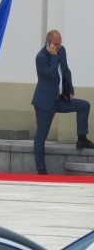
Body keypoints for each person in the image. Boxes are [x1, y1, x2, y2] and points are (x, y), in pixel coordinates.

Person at [32, 30, 94, 174]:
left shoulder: (62, 50)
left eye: (60, 43)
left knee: (84, 105)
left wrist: (69, 90)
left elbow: (66, 71)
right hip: (44, 103)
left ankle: (82, 138)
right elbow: (52, 74)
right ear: (49, 43)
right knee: (41, 137)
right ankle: (41, 171)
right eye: (56, 44)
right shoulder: (41, 57)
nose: (59, 47)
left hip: (59, 99)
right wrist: (54, 56)